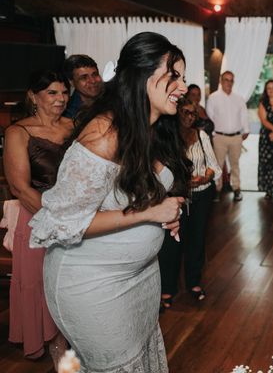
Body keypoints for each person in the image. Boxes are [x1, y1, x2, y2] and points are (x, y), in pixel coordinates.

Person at [29, 32, 190, 372]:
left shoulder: (154, 130)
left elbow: (134, 194)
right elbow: (62, 222)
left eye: (184, 77)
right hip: (93, 284)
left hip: (141, 279)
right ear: (142, 75)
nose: (183, 86)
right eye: (174, 75)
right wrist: (148, 212)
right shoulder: (103, 134)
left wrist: (164, 213)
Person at [3, 70, 73, 367]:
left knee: (70, 286)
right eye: (52, 93)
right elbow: (20, 186)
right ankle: (58, 349)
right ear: (34, 96)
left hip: (76, 217)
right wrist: (54, 220)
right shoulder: (18, 132)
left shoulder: (76, 126)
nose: (61, 99)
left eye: (64, 92)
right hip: (37, 220)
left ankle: (75, 340)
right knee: (42, 287)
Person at [159, 98, 221, 309]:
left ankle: (193, 283)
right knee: (172, 242)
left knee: (197, 240)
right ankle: (168, 287)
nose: (189, 117)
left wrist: (205, 177)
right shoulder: (168, 137)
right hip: (176, 197)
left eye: (193, 114)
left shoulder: (202, 136)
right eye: (185, 112)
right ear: (176, 112)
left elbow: (213, 165)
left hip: (201, 195)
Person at [205, 71, 249, 202]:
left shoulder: (239, 98)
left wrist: (245, 130)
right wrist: (215, 133)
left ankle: (237, 189)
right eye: (226, 80)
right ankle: (217, 190)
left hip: (236, 137)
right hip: (220, 137)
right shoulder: (213, 97)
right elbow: (210, 115)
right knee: (218, 165)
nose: (228, 83)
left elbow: (244, 115)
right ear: (221, 80)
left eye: (231, 80)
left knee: (235, 165)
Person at [62, 54, 103, 119]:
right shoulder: (68, 112)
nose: (92, 81)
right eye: (84, 77)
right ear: (71, 82)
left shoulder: (111, 99)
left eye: (95, 74)